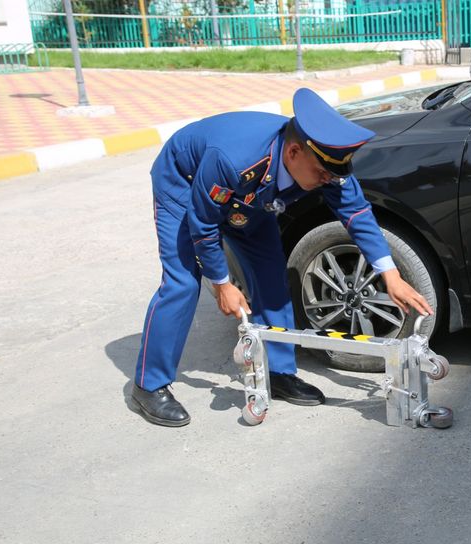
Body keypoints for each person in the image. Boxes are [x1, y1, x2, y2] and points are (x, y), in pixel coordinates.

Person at [131, 88, 434, 427]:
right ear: (293, 152)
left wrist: (389, 273)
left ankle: (277, 372)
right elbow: (204, 224)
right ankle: (149, 384)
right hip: (185, 183)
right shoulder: (233, 158)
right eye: (322, 175)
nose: (327, 182)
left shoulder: (324, 161)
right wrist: (221, 284)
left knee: (271, 273)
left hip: (250, 195)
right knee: (182, 282)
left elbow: (357, 213)